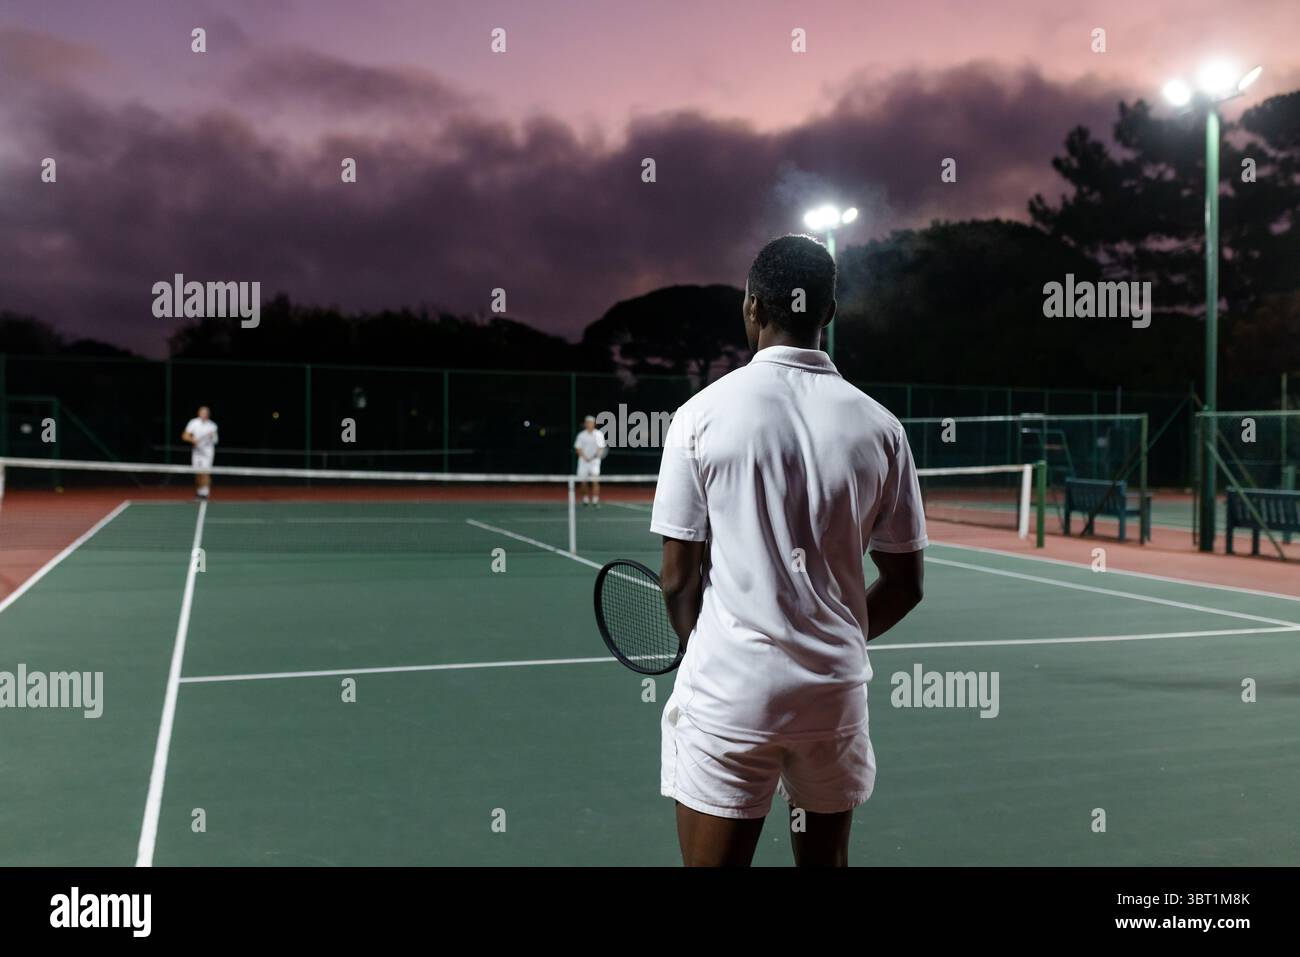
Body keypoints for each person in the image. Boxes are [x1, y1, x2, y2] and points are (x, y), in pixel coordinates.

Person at [651, 234, 927, 867]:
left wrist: (708, 647)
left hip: (733, 696)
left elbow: (676, 580)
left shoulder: (699, 416)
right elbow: (906, 584)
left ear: (752, 308)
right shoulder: (882, 427)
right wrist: (833, 638)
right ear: (828, 313)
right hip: (833, 695)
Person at [181, 405, 219, 501]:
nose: (204, 415)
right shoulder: (193, 422)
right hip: (196, 451)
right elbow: (184, 436)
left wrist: (211, 437)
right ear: (199, 413)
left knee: (205, 472)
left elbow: (215, 440)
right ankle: (199, 492)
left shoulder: (213, 425)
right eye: (202, 413)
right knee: (197, 473)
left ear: (208, 414)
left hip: (208, 451)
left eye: (206, 413)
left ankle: (205, 494)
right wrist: (193, 440)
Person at [574, 414, 607, 507]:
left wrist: (594, 457)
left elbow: (601, 448)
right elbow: (578, 448)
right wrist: (585, 457)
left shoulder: (599, 434)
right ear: (585, 424)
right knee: (583, 482)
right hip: (583, 461)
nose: (589, 424)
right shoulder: (581, 435)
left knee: (595, 481)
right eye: (587, 422)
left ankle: (595, 500)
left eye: (591, 422)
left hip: (594, 462)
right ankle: (585, 499)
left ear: (594, 424)